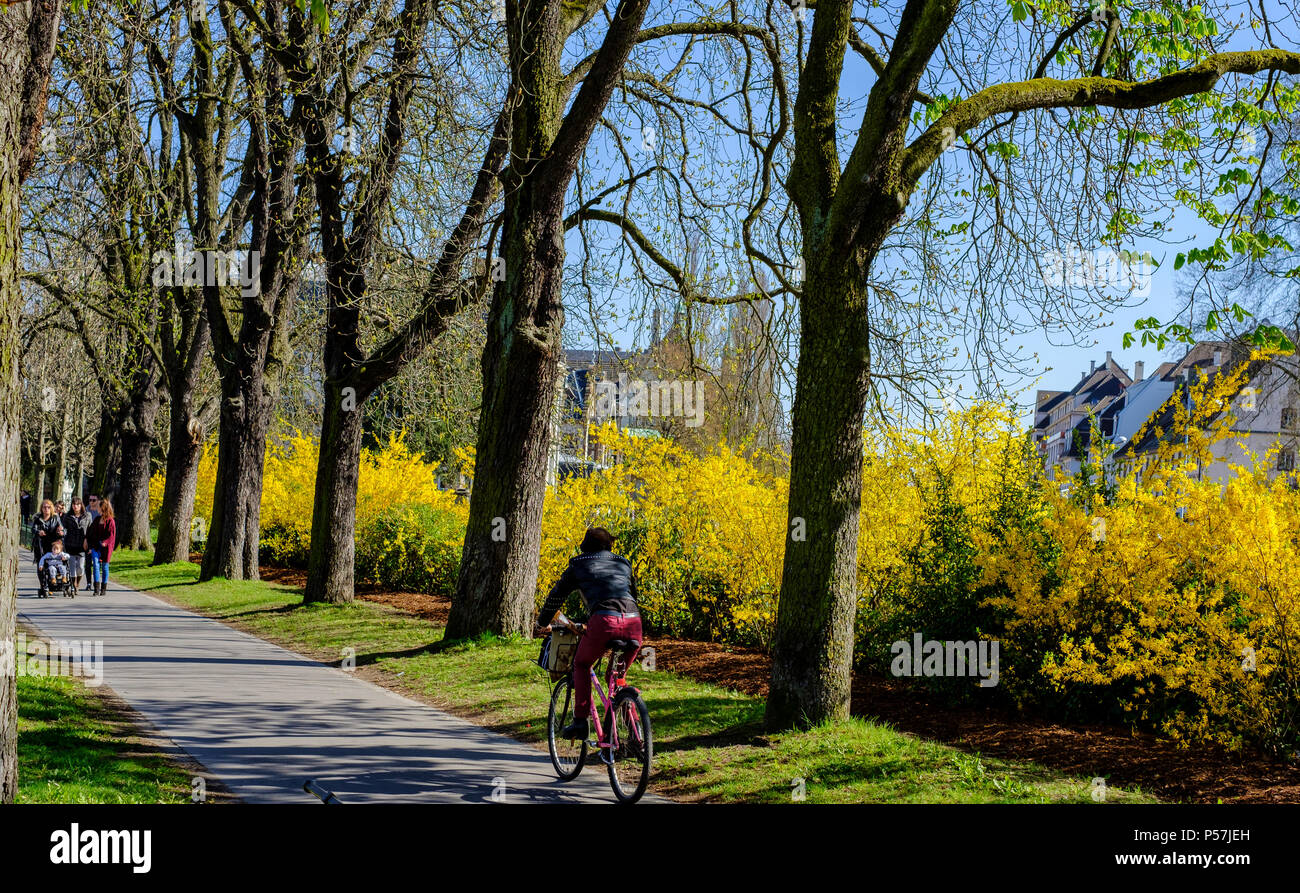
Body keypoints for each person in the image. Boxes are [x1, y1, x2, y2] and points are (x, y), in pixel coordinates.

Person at [533, 527, 642, 741]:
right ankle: (637, 732)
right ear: (609, 545)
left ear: (585, 547)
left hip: (604, 622)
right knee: (618, 677)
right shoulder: (623, 562)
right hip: (633, 622)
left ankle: (580, 722)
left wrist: (541, 623)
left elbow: (556, 597)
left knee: (582, 664)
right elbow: (632, 595)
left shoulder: (579, 564)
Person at [61, 497, 92, 593]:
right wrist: (62, 532)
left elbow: (90, 530)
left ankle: (78, 583)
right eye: (74, 504)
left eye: (78, 504)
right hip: (70, 544)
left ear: (81, 505)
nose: (75, 506)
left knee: (80, 567)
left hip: (82, 546)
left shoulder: (87, 515)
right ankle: (73, 585)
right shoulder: (68, 516)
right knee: (72, 567)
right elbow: (63, 528)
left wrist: (87, 540)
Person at [86, 498, 116, 596]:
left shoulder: (110, 521)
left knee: (105, 567)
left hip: (106, 548)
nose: (97, 508)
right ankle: (96, 588)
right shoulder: (97, 519)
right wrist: (90, 546)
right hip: (96, 546)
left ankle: (103, 588)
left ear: (103, 508)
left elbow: (111, 536)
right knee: (95, 564)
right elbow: (90, 533)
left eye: (99, 507)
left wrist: (105, 542)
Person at [31, 499, 64, 568]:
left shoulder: (55, 517)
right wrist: (38, 532)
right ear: (41, 508)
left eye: (48, 507)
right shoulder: (38, 518)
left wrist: (61, 532)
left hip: (53, 543)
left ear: (51, 508)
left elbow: (62, 529)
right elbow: (33, 529)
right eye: (44, 507)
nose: (46, 509)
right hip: (41, 543)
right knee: (41, 564)